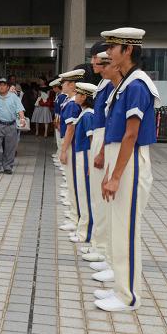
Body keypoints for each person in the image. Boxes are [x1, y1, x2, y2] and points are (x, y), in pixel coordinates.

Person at [95, 27, 160, 312]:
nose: (108, 53)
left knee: (127, 228)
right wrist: (110, 172)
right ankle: (121, 287)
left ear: (128, 50)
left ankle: (129, 296)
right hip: (119, 158)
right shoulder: (126, 84)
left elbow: (131, 135)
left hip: (130, 161)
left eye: (113, 47)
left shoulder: (136, 85)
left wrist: (116, 176)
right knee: (119, 227)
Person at [85, 52, 119, 277]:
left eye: (98, 60)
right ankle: (102, 249)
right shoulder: (107, 84)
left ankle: (108, 255)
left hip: (109, 142)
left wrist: (102, 151)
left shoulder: (127, 85)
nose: (95, 64)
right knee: (99, 200)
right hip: (102, 138)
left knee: (110, 207)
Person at [69, 83, 96, 244]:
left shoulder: (88, 115)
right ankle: (83, 229)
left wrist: (92, 164)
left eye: (78, 93)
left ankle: (86, 233)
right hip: (82, 154)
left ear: (84, 96)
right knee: (82, 193)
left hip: (86, 155)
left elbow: (93, 140)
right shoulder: (85, 113)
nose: (75, 96)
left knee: (86, 195)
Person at [57, 70, 85, 232]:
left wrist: (63, 149)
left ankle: (76, 219)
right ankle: (75, 216)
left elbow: (70, 129)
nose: (62, 85)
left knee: (75, 182)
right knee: (72, 181)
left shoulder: (73, 104)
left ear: (72, 85)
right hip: (71, 145)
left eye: (64, 83)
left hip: (73, 146)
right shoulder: (70, 101)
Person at [0, 78, 26, 174]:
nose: (2, 87)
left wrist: (22, 119)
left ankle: (8, 167)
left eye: (4, 85)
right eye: (0, 85)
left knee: (10, 147)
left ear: (8, 87)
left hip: (11, 125)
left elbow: (19, 109)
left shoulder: (14, 97)